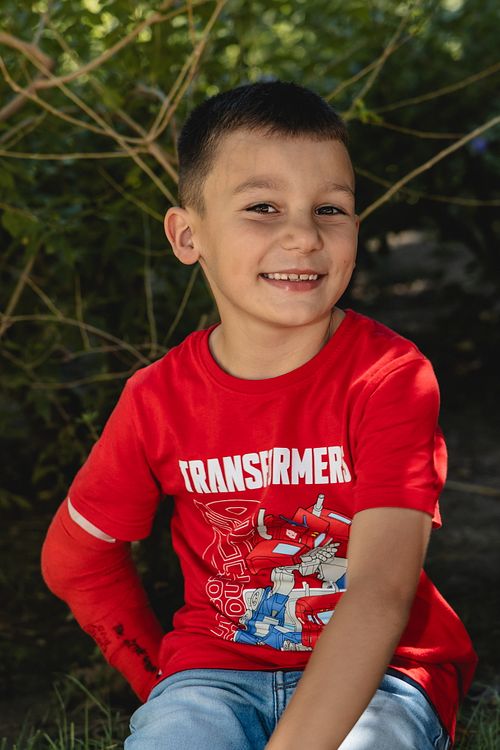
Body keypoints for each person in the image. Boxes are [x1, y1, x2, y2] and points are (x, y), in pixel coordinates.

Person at [41, 80, 477, 750]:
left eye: (330, 208)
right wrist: (164, 685)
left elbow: (380, 590)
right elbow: (77, 558)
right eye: (263, 207)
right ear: (188, 235)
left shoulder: (390, 377)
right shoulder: (156, 400)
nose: (303, 235)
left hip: (384, 678)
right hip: (214, 676)